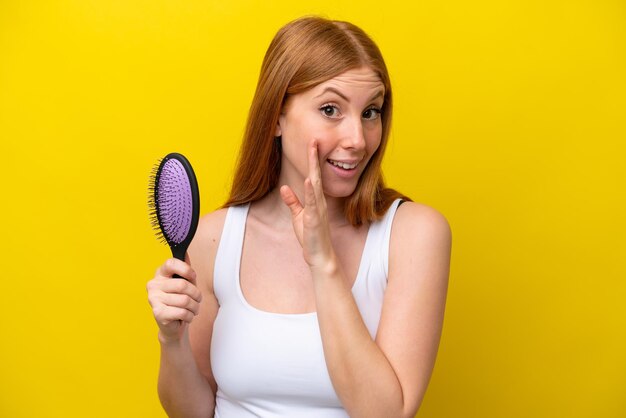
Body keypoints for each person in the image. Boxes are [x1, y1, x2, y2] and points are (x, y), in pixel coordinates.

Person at [147, 16, 451, 418]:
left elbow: (386, 414)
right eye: (330, 109)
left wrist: (323, 263)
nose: (358, 140)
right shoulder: (213, 239)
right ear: (276, 116)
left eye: (371, 112)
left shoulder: (414, 235)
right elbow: (194, 412)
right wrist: (172, 340)